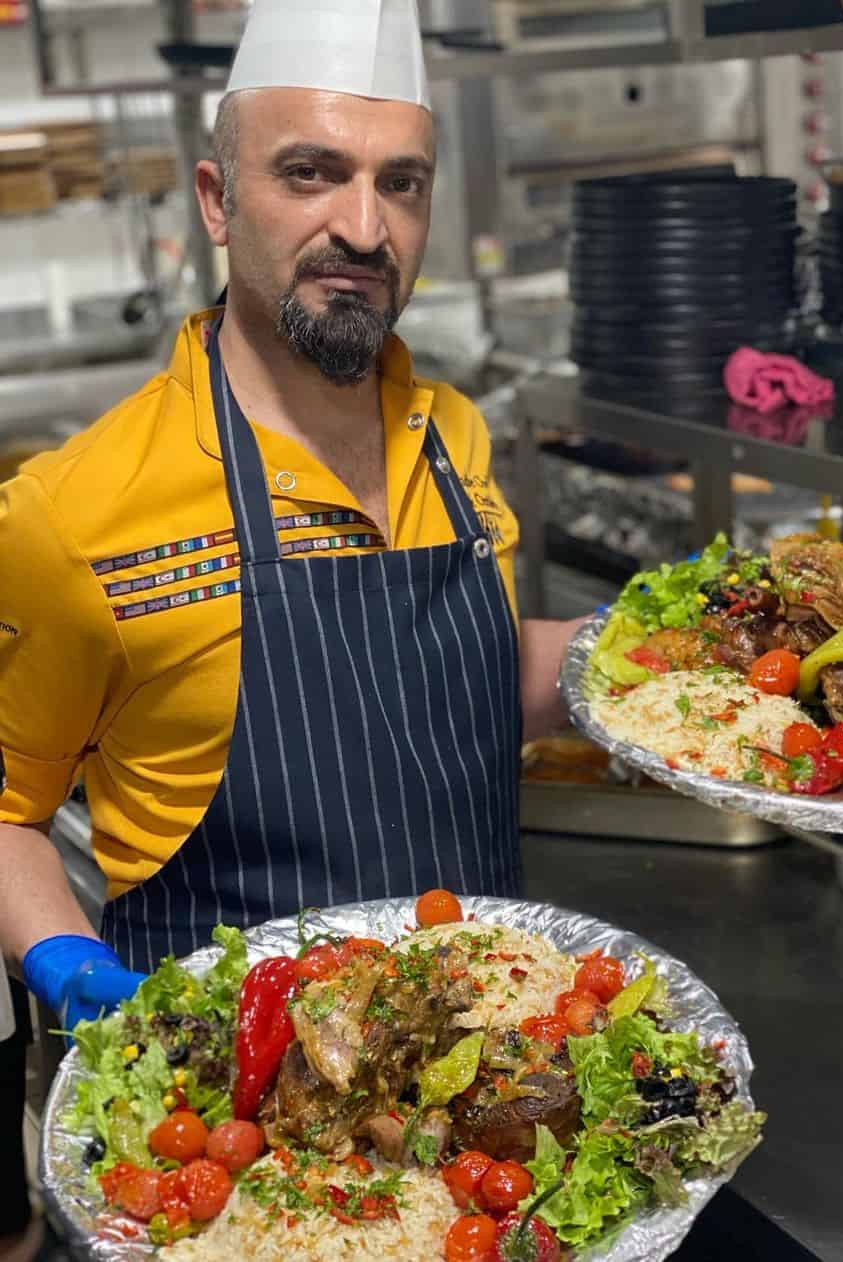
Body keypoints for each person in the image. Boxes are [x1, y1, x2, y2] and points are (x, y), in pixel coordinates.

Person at [0, 0, 581, 1035]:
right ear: (218, 200)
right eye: (311, 172)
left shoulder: (454, 439)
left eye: (400, 182)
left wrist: (654, 660)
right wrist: (64, 956)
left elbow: (453, 686)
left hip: (480, 1063)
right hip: (230, 1110)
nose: (365, 227)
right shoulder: (70, 515)